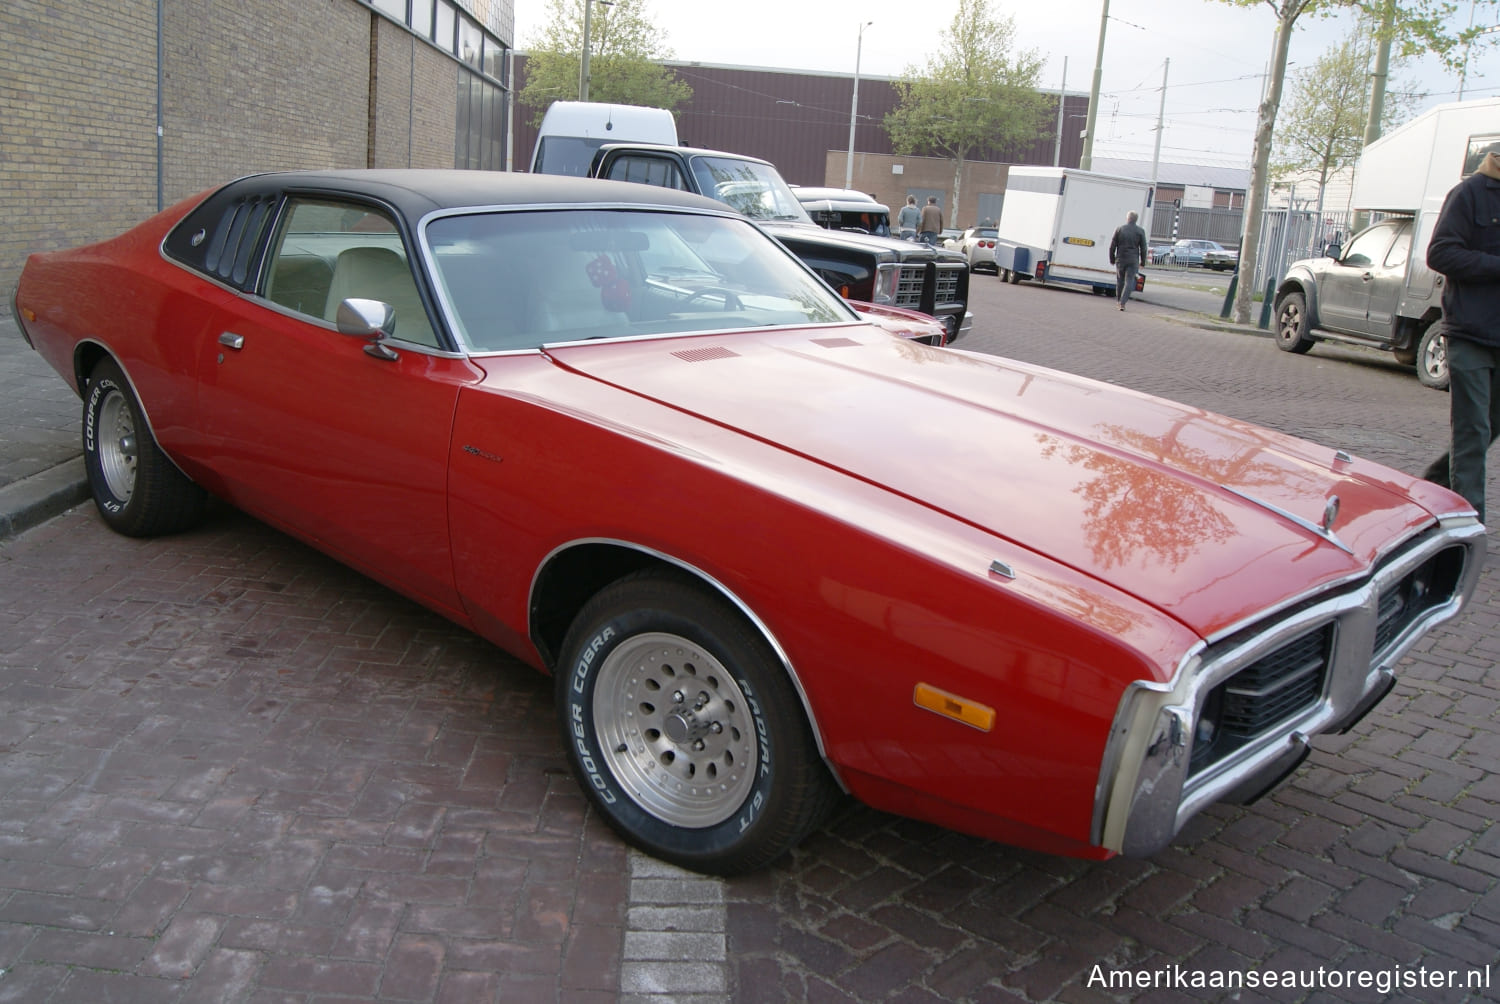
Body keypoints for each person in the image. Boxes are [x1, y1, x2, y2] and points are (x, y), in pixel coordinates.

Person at [1421, 150, 1500, 521]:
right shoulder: (1469, 194)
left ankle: (1431, 486)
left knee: (1485, 431)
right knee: (1473, 429)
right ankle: (1468, 526)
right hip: (1470, 333)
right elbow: (1440, 253)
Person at [1108, 210, 1148, 311]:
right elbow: (1143, 248)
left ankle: (1118, 300)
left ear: (1127, 218)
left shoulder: (1120, 229)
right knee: (1129, 281)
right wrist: (1143, 262)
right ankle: (1123, 302)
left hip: (1121, 259)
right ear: (1136, 220)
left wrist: (1112, 259)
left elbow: (1112, 246)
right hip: (1133, 260)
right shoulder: (1140, 231)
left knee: (1120, 281)